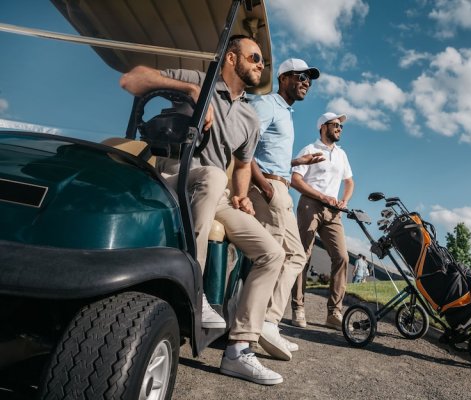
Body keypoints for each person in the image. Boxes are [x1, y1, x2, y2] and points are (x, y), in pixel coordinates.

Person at [120, 35, 285, 385]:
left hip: (216, 192)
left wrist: (242, 197)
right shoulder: (197, 80)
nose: (260, 65)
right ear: (230, 58)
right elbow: (131, 80)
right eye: (255, 57)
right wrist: (189, 91)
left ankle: (239, 350)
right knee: (210, 175)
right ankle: (194, 291)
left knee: (272, 252)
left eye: (262, 62)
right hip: (171, 173)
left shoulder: (250, 118)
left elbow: (242, 165)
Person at [248, 58, 322, 351]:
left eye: (309, 79)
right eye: (301, 76)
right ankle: (261, 325)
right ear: (284, 77)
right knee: (281, 256)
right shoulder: (267, 104)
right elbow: (244, 147)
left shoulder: (286, 113)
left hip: (279, 186)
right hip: (269, 187)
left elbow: (270, 152)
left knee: (295, 257)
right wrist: (264, 186)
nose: (306, 82)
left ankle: (267, 322)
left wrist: (296, 162)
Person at [291, 112, 355, 330]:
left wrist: (344, 200)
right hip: (310, 205)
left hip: (333, 211)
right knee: (303, 255)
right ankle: (298, 307)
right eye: (335, 124)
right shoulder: (309, 150)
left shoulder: (341, 154)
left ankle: (334, 312)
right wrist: (321, 196)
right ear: (323, 127)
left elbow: (349, 181)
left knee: (342, 257)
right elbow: (295, 180)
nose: (339, 128)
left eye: (341, 126)